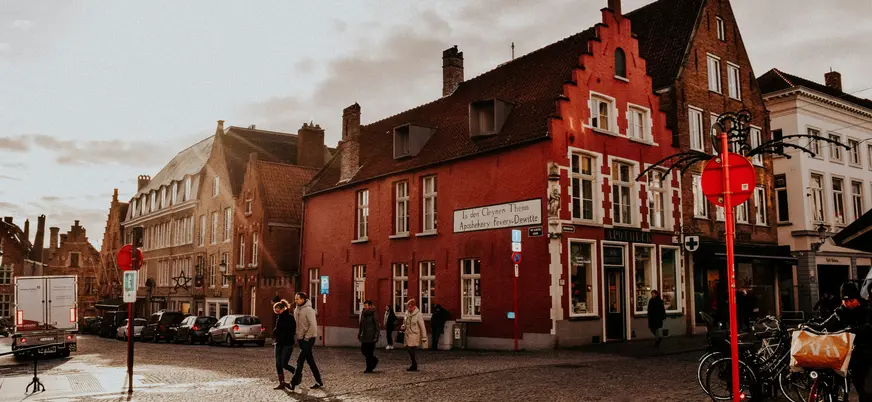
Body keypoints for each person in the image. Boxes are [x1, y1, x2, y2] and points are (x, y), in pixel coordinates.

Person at [817, 282, 872, 401]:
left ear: (857, 299)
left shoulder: (867, 310)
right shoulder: (840, 312)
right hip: (847, 355)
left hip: (867, 356)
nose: (847, 304)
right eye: (845, 301)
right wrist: (808, 327)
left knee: (866, 391)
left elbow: (869, 327)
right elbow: (824, 325)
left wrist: (856, 330)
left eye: (851, 300)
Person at [290, 292, 323, 390]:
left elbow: (313, 326)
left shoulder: (309, 310)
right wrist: (298, 336)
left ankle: (294, 382)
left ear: (303, 299)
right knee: (310, 361)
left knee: (300, 361)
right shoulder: (296, 310)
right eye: (295, 299)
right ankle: (319, 381)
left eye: (297, 299)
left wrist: (306, 338)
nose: (295, 301)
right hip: (301, 339)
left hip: (309, 339)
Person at [272, 299, 296, 390]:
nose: (276, 312)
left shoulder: (289, 317)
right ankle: (281, 382)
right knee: (278, 363)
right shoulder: (279, 318)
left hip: (287, 343)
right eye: (275, 311)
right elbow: (277, 329)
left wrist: (281, 334)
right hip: (278, 343)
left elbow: (292, 330)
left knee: (284, 363)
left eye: (277, 311)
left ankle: (296, 373)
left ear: (283, 309)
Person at [402, 299, 427, 371]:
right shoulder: (406, 313)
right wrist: (403, 326)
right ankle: (413, 364)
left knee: (410, 348)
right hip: (407, 333)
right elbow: (404, 322)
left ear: (414, 306)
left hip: (414, 334)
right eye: (408, 307)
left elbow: (422, 326)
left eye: (410, 307)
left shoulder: (418, 314)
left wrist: (424, 337)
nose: (409, 308)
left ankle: (414, 364)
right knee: (409, 349)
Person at [358, 300, 380, 373]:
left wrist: (376, 336)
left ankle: (369, 368)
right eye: (364, 306)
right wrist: (359, 333)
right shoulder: (363, 314)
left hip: (371, 336)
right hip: (364, 335)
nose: (365, 307)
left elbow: (377, 325)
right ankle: (374, 360)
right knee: (364, 350)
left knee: (369, 352)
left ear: (370, 306)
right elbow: (361, 325)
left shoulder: (374, 313)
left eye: (366, 306)